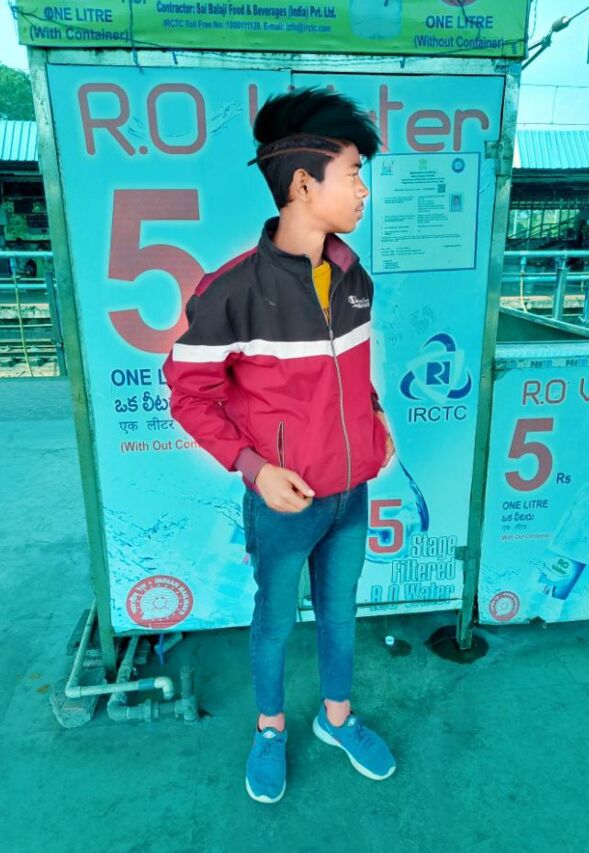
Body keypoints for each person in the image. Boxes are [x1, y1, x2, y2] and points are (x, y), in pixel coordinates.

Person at [162, 88, 397, 804]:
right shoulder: (231, 292)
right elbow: (188, 394)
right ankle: (269, 730)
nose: (363, 190)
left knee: (341, 613)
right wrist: (254, 469)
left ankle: (336, 718)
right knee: (273, 622)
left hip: (352, 494)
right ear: (303, 185)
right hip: (285, 502)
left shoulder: (353, 277)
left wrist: (376, 421)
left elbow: (352, 375)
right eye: (353, 173)